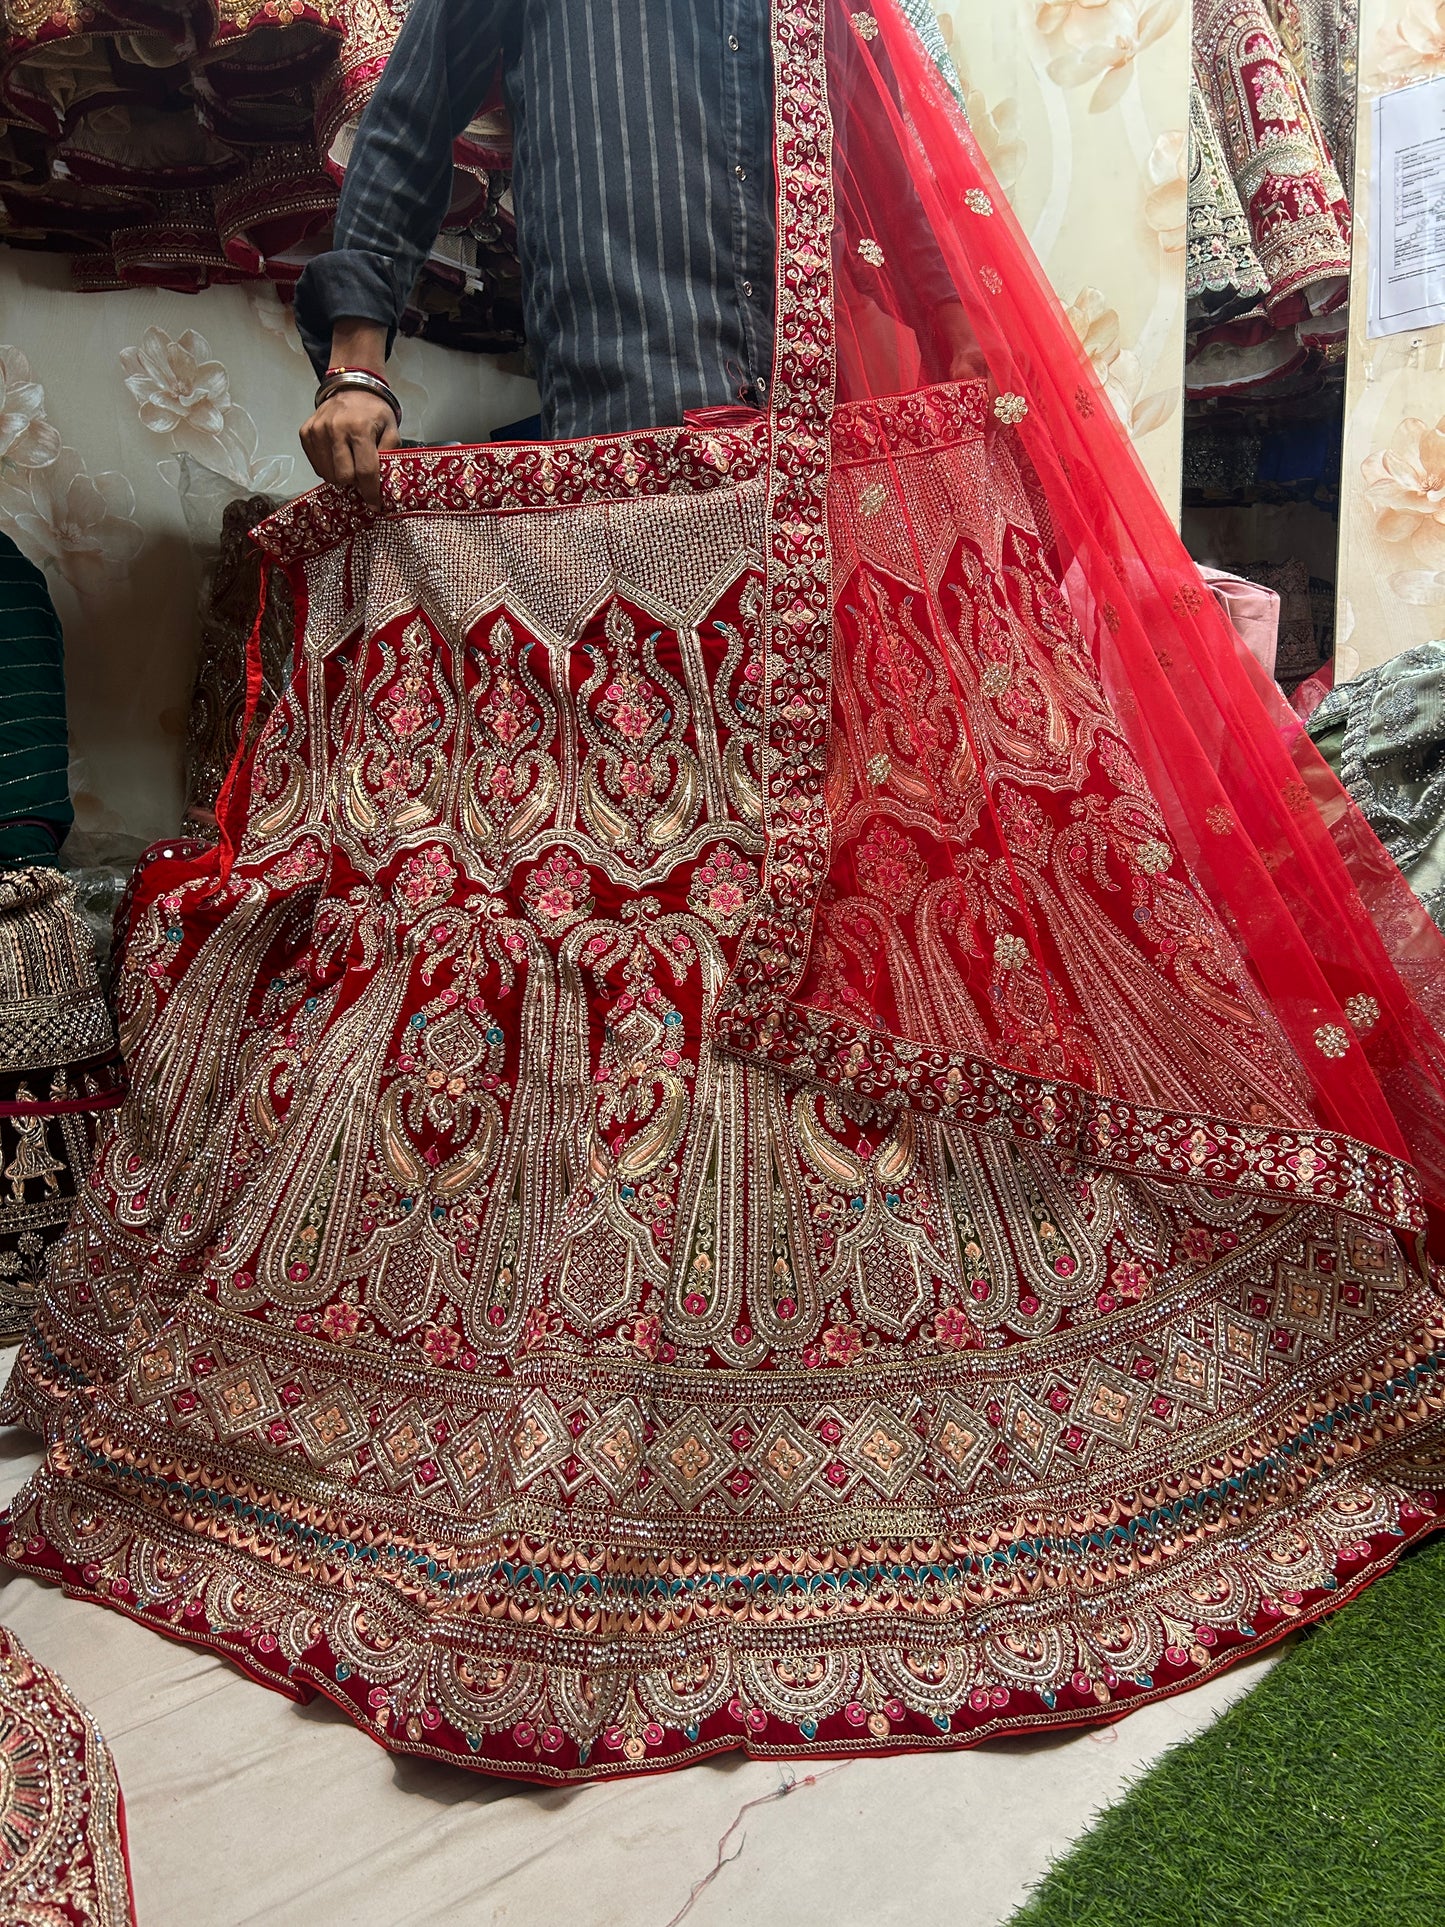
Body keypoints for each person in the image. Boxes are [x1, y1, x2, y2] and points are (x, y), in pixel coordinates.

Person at [6, 0, 1445, 1786]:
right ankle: (666, 1403)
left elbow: (909, 207)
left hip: (821, 485)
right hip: (635, 498)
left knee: (873, 914)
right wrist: (357, 363)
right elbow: (396, 143)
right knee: (651, 942)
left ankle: (900, 1374)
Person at [293, 0, 974, 499]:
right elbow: (415, 110)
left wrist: (956, 326)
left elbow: (880, 170)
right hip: (630, 428)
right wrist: (356, 368)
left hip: (824, 430)